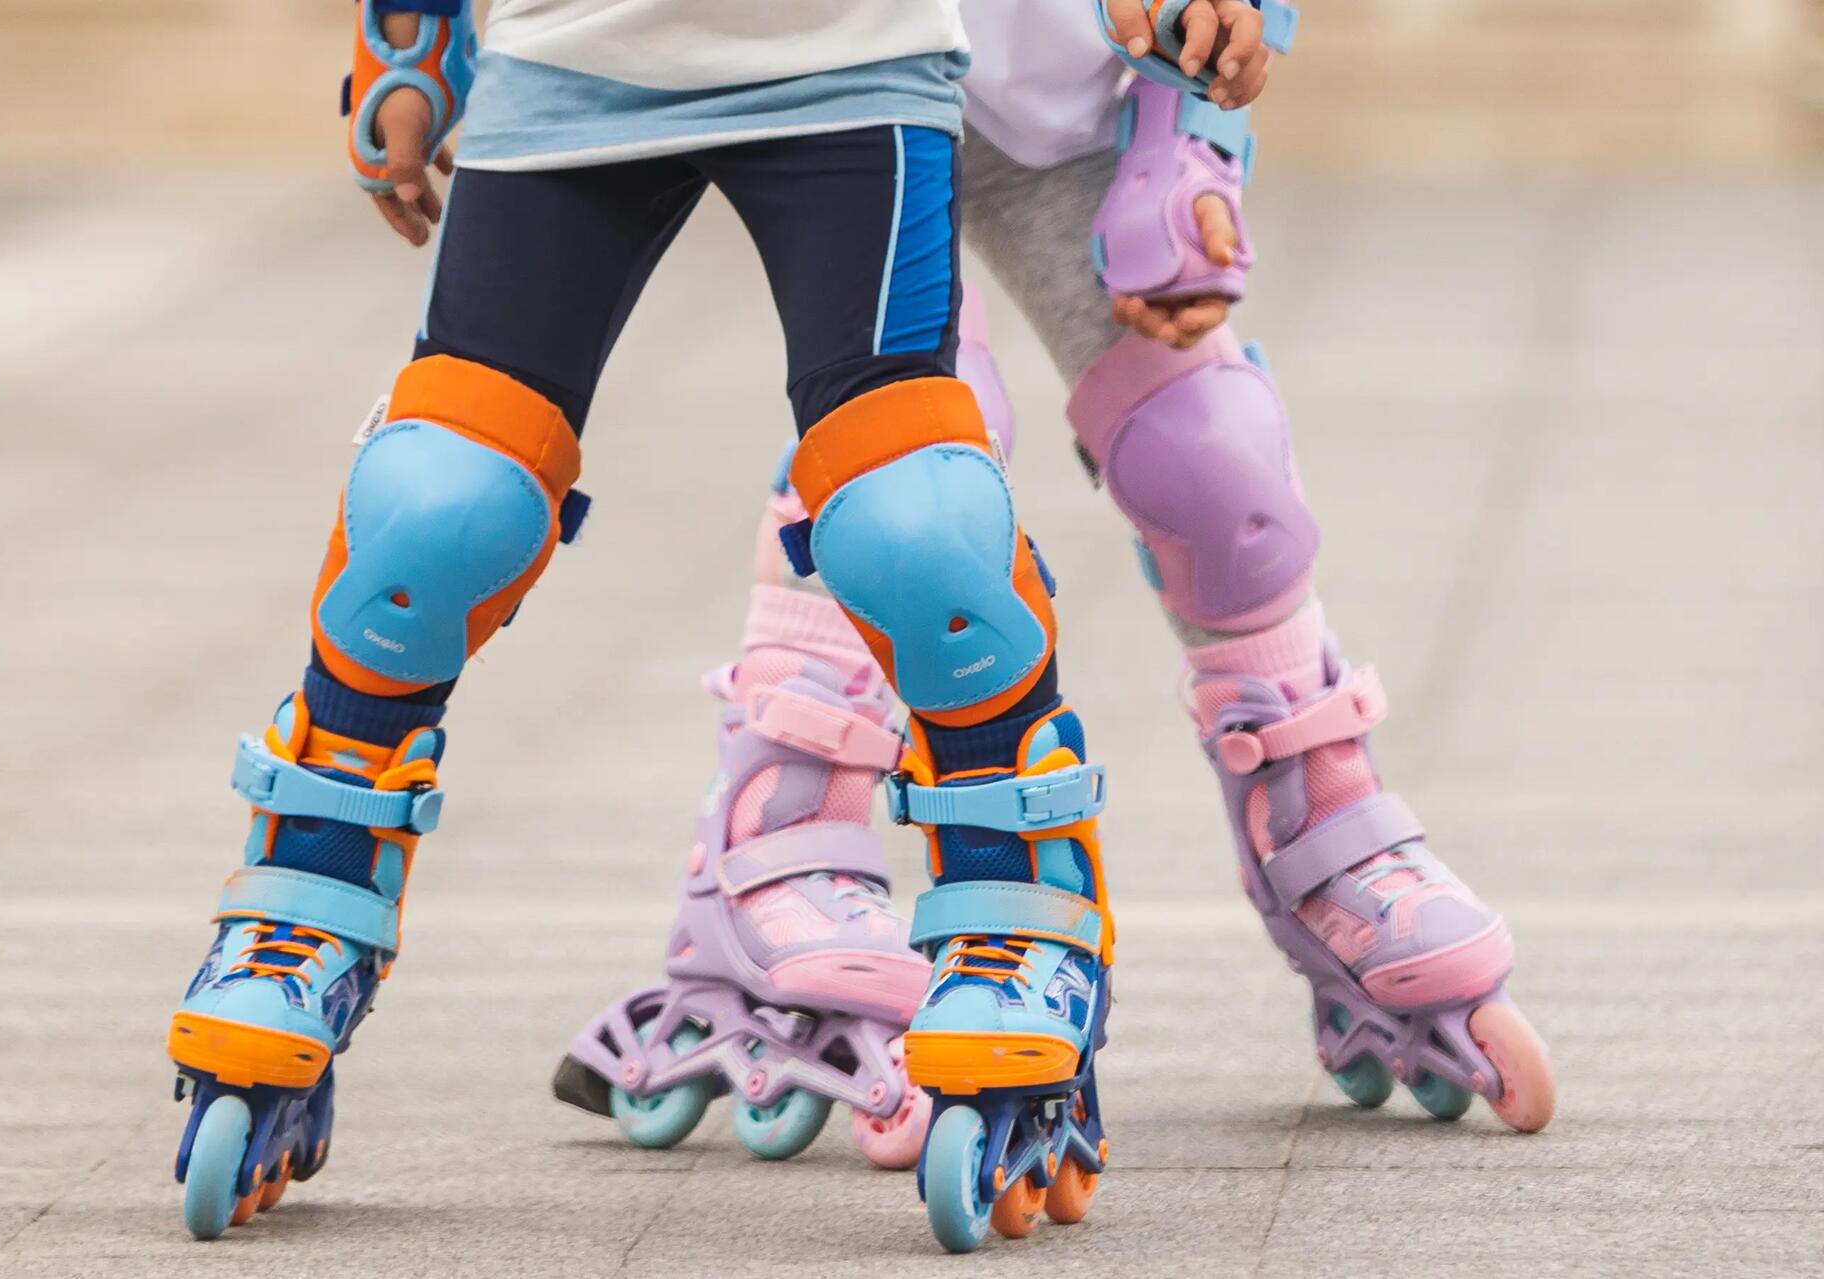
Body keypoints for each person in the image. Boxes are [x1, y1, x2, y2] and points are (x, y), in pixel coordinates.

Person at [165, 0, 1264, 1254]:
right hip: (569, 55)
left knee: (916, 515)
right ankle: (305, 892)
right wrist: (411, 35)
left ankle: (1023, 909)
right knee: (434, 506)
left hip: (846, 57)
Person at [564, 0, 1553, 1247]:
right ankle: (778, 825)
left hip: (1071, 93)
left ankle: (1320, 817)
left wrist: (1205, 83)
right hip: (843, 70)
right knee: (909, 453)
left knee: (1216, 462)